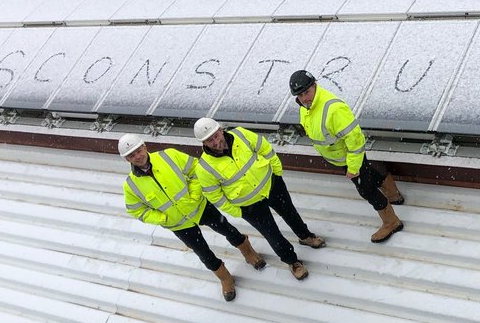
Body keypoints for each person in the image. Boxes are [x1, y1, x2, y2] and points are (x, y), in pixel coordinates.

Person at [118, 133, 265, 303]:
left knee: (227, 229)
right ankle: (225, 278)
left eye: (138, 151)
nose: (137, 156)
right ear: (127, 159)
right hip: (179, 224)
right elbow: (136, 210)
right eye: (131, 155)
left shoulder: (169, 156)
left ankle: (249, 253)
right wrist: (162, 218)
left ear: (144, 146)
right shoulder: (130, 186)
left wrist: (194, 195)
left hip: (200, 207)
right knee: (203, 253)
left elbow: (196, 170)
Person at [192, 118, 321, 281]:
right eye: (209, 140)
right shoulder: (204, 168)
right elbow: (215, 196)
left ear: (221, 130)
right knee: (272, 234)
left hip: (272, 186)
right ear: (203, 143)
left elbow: (265, 148)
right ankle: (292, 261)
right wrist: (238, 212)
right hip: (249, 206)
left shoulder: (241, 134)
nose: (216, 142)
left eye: (216, 135)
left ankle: (305, 236)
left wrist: (277, 173)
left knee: (291, 214)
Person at [289, 70, 404, 243]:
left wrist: (353, 167)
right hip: (342, 158)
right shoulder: (306, 108)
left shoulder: (333, 109)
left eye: (307, 92)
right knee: (368, 176)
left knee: (367, 190)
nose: (304, 98)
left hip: (351, 158)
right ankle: (393, 193)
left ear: (315, 85)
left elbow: (355, 140)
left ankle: (392, 222)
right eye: (300, 95)